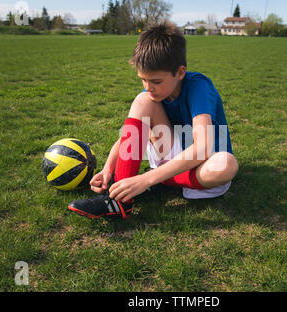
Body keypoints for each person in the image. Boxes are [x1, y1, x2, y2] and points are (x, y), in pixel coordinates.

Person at [68, 22, 238, 221]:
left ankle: (155, 181)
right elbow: (129, 136)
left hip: (203, 165)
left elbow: (203, 148)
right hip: (171, 156)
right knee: (142, 101)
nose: (149, 87)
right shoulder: (150, 95)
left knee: (227, 164)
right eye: (143, 80)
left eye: (156, 81)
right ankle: (119, 202)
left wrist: (145, 179)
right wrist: (108, 169)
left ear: (180, 72)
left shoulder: (198, 86)